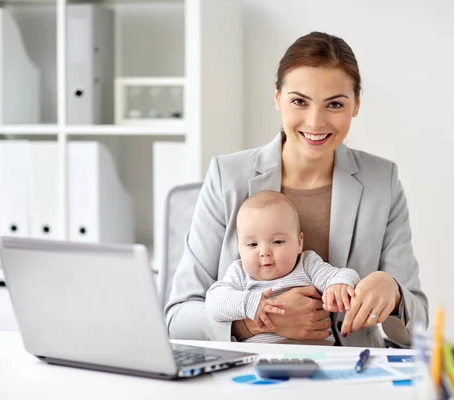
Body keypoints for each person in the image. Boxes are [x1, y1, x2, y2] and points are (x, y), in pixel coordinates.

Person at [165, 31, 428, 348]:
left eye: (334, 104)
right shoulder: (227, 176)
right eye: (299, 101)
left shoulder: (381, 181)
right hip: (252, 376)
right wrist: (256, 323)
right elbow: (177, 318)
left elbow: (418, 329)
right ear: (277, 97)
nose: (316, 122)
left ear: (356, 104)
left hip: (352, 375)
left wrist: (394, 292)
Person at [205, 191, 361, 345]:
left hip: (318, 353)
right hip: (260, 357)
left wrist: (338, 285)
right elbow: (214, 301)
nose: (264, 252)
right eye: (252, 244)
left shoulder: (307, 264)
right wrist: (249, 303)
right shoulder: (239, 273)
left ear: (299, 243)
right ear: (239, 248)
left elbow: (343, 274)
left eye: (278, 241)